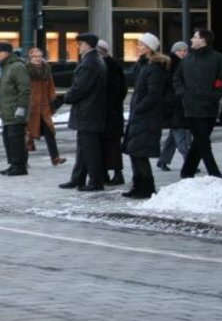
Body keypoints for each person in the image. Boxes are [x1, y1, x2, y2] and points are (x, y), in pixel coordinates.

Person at [174, 28, 222, 179]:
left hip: (210, 107)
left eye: (195, 37)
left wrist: (215, 95)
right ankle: (213, 172)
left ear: (203, 40)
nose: (191, 39)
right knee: (203, 140)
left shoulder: (218, 59)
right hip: (191, 108)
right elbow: (177, 79)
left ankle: (187, 171)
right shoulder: (187, 60)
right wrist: (182, 93)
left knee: (199, 140)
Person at [56, 32, 107, 191]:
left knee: (90, 149)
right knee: (84, 147)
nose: (78, 47)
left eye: (80, 44)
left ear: (88, 45)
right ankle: (78, 178)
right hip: (90, 112)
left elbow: (80, 88)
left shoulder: (89, 63)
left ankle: (95, 182)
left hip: (88, 112)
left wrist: (66, 98)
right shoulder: (93, 60)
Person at [122, 33, 170, 199]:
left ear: (149, 48)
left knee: (140, 153)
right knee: (134, 152)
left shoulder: (154, 68)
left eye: (141, 45)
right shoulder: (143, 65)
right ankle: (138, 186)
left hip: (147, 117)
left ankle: (147, 187)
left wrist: (139, 109)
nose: (138, 47)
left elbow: (153, 95)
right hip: (140, 117)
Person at [0, 42, 30, 175]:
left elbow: (24, 90)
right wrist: (0, 107)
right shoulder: (6, 67)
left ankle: (20, 166)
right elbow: (6, 91)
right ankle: (13, 164)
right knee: (8, 139)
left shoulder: (17, 67)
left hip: (15, 112)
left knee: (16, 140)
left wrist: (21, 108)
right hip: (7, 111)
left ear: (6, 53)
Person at [26, 47, 65, 166]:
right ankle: (23, 160)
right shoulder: (25, 70)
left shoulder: (47, 70)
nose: (38, 59)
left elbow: (51, 87)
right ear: (30, 58)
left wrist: (52, 101)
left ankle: (55, 157)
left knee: (50, 132)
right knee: (28, 134)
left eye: (39, 56)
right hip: (31, 107)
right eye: (35, 56)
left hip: (43, 107)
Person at [97, 40, 127, 185]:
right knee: (110, 145)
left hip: (109, 113)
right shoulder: (114, 65)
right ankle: (110, 173)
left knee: (112, 145)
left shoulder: (109, 66)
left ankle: (116, 174)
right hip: (111, 112)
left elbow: (118, 90)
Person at [157, 41, 190, 171]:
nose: (182, 53)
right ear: (174, 51)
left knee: (173, 137)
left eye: (184, 50)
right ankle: (189, 162)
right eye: (179, 50)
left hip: (177, 105)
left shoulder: (183, 64)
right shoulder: (171, 65)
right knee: (181, 136)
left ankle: (163, 161)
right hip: (175, 106)